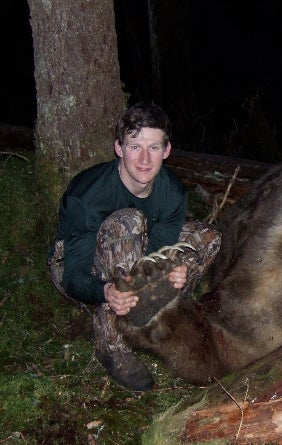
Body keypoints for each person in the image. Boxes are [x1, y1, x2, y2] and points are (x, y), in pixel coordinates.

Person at [49, 103, 221, 390]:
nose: (144, 159)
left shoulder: (173, 191)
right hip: (79, 267)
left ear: (166, 151)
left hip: (133, 249)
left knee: (208, 238)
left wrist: (169, 272)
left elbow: (156, 252)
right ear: (119, 147)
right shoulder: (87, 195)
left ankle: (152, 307)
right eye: (134, 146)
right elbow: (72, 275)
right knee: (129, 220)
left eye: (153, 148)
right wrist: (104, 291)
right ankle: (111, 339)